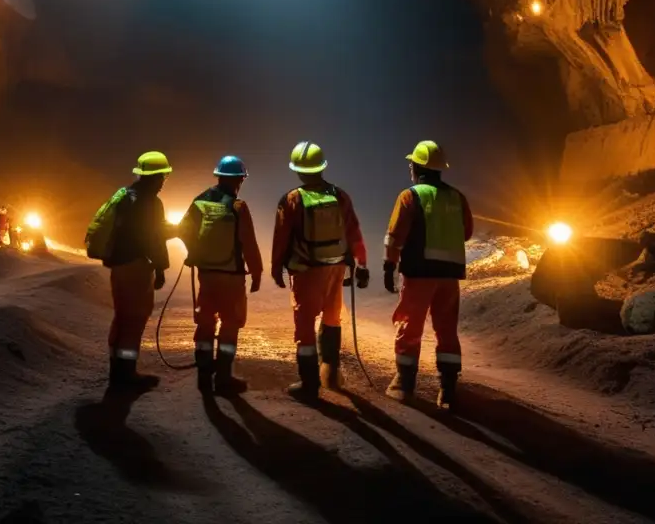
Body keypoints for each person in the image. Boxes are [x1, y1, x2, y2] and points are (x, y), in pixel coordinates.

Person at [272, 141, 368, 401]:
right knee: (332, 318)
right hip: (336, 268)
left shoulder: (292, 198)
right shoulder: (339, 195)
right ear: (322, 167)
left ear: (298, 170)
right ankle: (332, 374)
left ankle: (310, 384)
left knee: (304, 325)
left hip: (305, 270)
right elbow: (354, 231)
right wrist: (362, 264)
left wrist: (275, 267)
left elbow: (282, 236)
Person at [382, 140, 473, 410]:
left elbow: (395, 236)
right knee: (446, 331)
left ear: (418, 167)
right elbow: (466, 232)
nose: (410, 167)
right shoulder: (457, 197)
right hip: (449, 274)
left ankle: (404, 384)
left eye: (412, 163)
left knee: (410, 327)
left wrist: (389, 265)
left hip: (419, 272)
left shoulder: (410, 196)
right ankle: (447, 392)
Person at [178, 155, 264, 395]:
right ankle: (223, 378)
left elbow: (183, 230)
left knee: (205, 320)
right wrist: (256, 274)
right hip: (232, 276)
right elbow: (250, 244)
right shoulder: (238, 207)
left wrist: (194, 252)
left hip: (206, 274)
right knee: (230, 324)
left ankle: (203, 376)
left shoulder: (200, 202)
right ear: (239, 180)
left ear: (218, 176)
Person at [100, 151, 173, 390]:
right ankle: (127, 375)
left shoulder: (123, 197)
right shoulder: (151, 202)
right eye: (162, 177)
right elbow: (154, 238)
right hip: (137, 267)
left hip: (119, 267)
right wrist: (161, 268)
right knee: (135, 319)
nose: (163, 182)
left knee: (121, 317)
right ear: (155, 177)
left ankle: (115, 371)